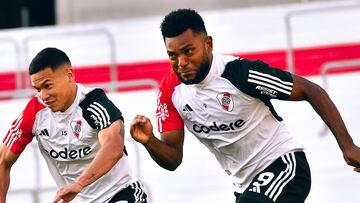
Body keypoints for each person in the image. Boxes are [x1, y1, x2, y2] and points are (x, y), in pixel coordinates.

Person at [130, 8, 360, 203]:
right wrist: (149, 141)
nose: (181, 63)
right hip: (245, 187)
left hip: (284, 166)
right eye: (173, 55)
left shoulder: (241, 73)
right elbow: (172, 160)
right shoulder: (170, 92)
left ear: (208, 44)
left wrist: (348, 147)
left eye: (189, 52)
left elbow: (311, 90)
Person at [0, 47, 147, 203]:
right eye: (38, 89)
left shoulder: (94, 103)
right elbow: (3, 160)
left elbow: (114, 147)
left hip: (119, 194)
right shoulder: (34, 112)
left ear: (69, 75)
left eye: (48, 86)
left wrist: (79, 183)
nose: (43, 96)